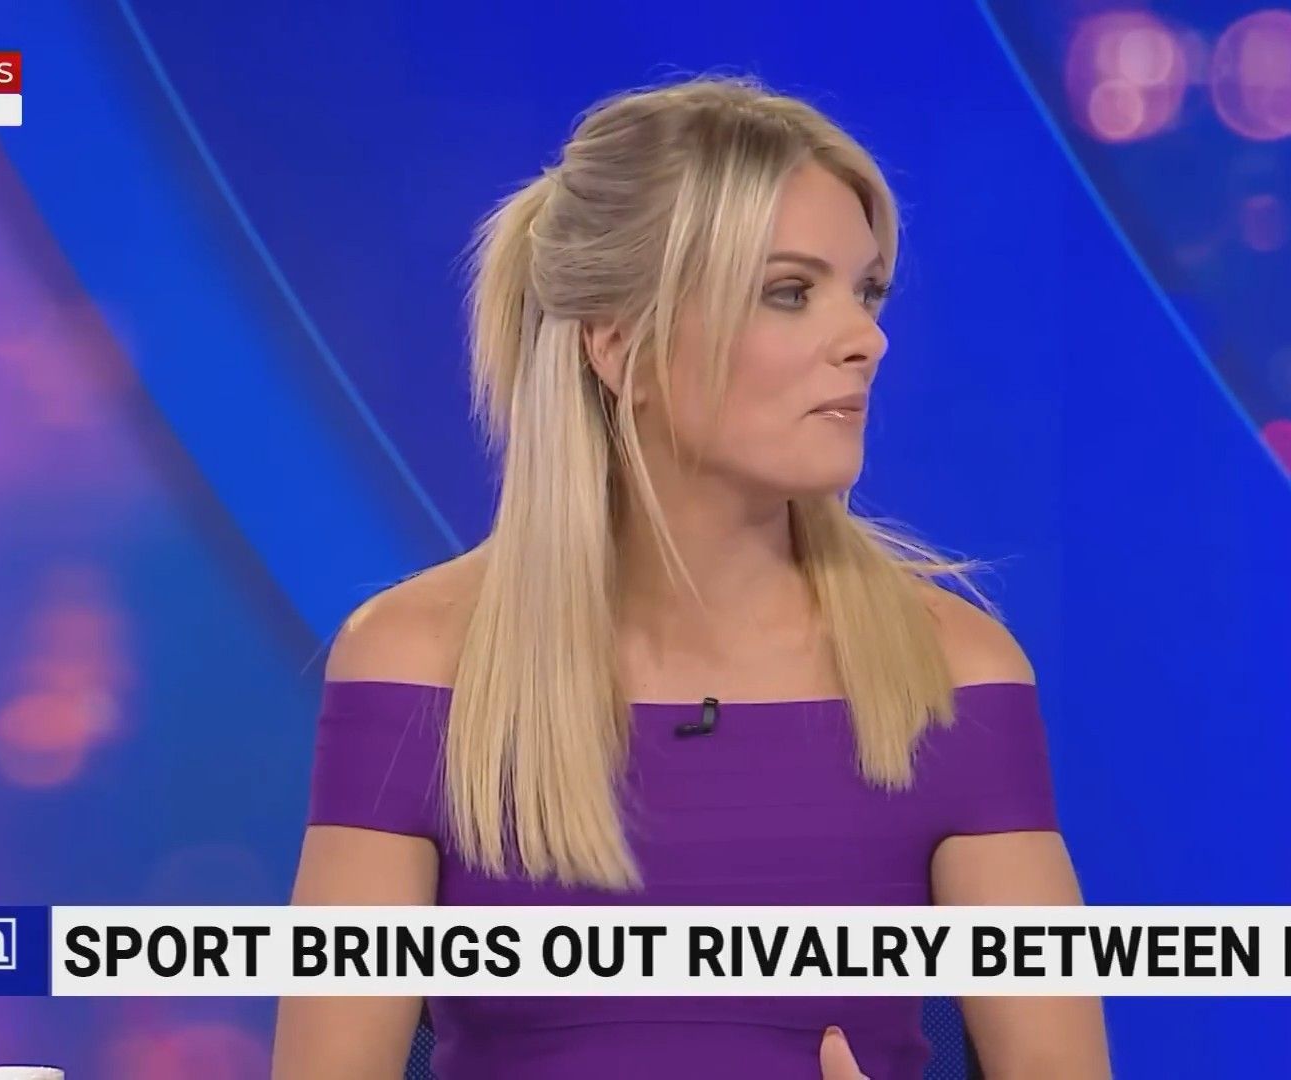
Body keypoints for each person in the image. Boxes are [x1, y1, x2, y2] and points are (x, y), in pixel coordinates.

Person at [271, 73, 1111, 1079]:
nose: (866, 339)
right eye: (790, 292)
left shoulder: (954, 676)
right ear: (620, 345)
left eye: (867, 291)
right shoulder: (419, 664)